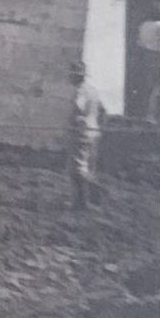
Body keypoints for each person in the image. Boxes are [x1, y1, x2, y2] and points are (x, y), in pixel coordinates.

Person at [64, 58, 105, 215]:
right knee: (85, 166)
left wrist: (72, 125)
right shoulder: (93, 91)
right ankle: (80, 203)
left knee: (76, 169)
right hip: (93, 132)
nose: (69, 77)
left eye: (71, 74)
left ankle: (94, 190)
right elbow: (103, 111)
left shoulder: (79, 92)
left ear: (76, 76)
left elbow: (78, 109)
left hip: (80, 133)